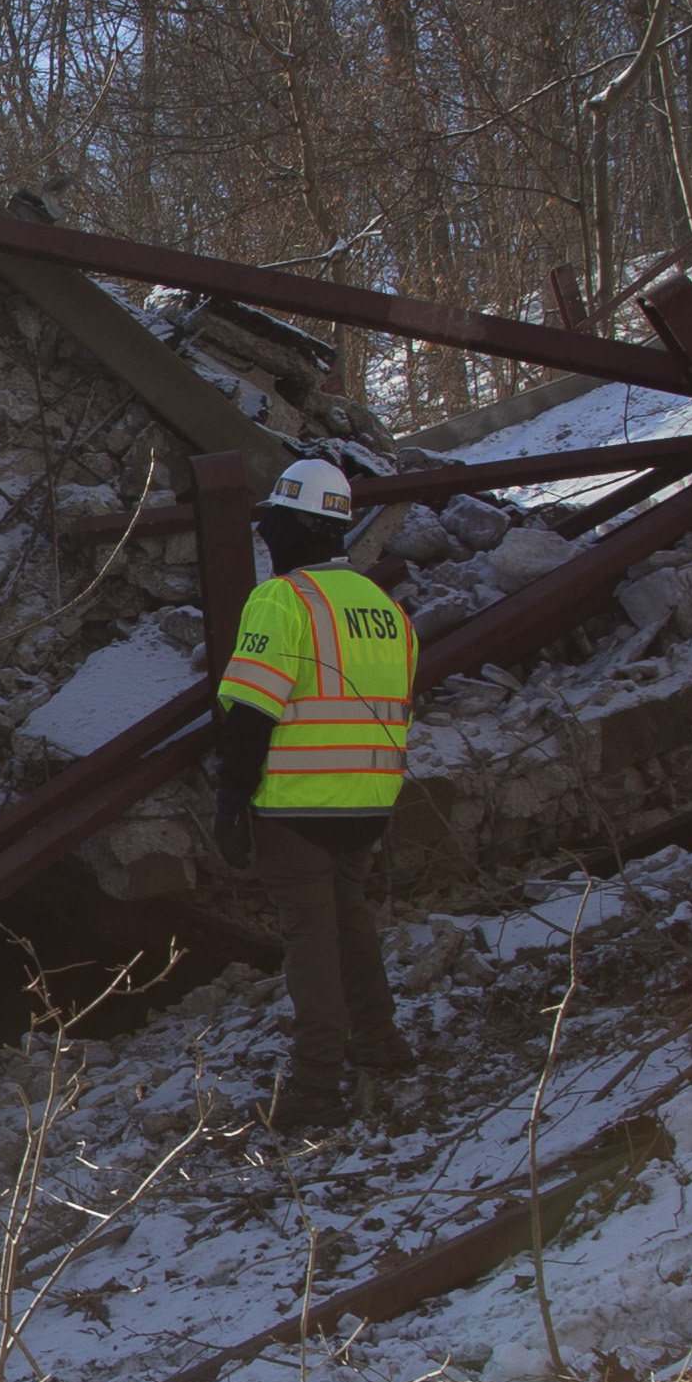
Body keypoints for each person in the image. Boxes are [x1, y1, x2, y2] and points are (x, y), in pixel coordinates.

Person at [210, 456, 422, 1131]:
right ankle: (380, 1039)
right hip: (369, 800)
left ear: (297, 527)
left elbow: (251, 710)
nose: (266, 537)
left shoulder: (285, 600)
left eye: (273, 525)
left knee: (310, 939)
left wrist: (231, 800)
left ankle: (312, 1087)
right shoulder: (386, 610)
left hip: (298, 801)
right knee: (349, 918)